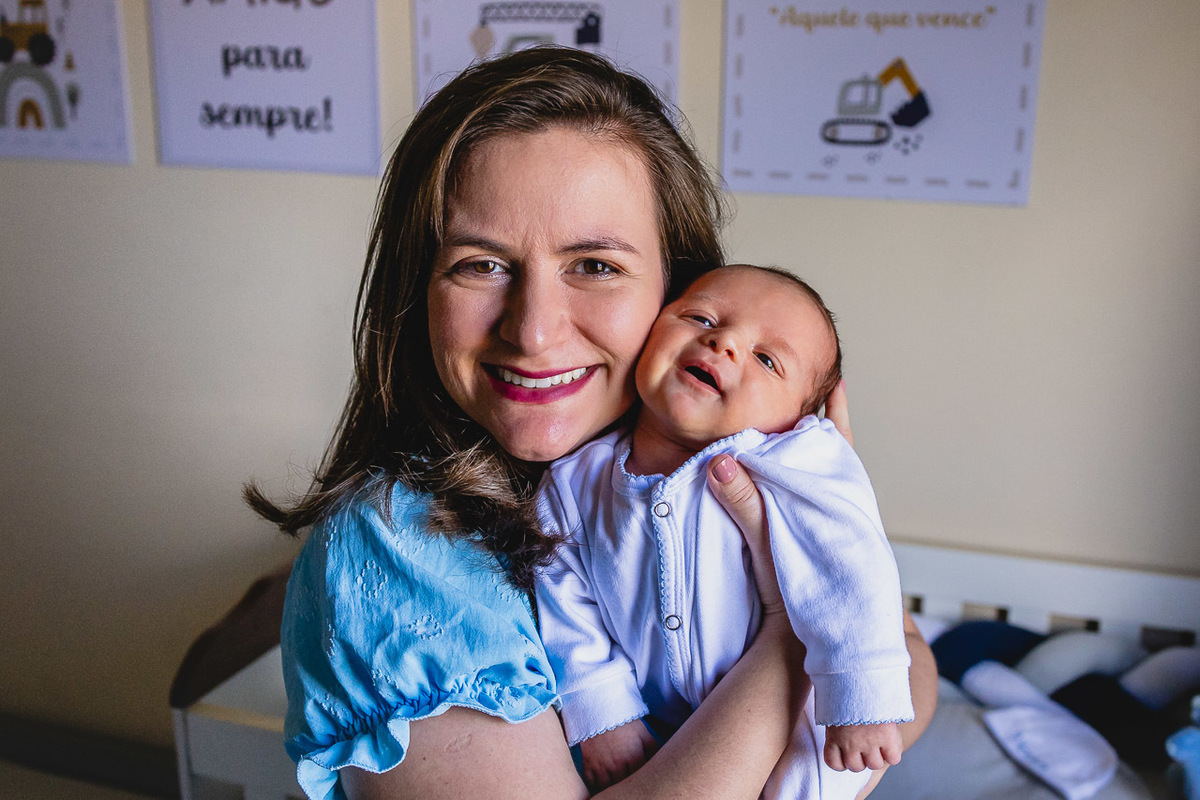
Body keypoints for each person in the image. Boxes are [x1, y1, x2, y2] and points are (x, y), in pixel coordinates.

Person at [246, 46, 936, 800]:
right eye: (480, 264)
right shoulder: (396, 546)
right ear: (417, 295)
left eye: (595, 266)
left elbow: (907, 664)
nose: (534, 331)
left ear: (676, 288)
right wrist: (789, 633)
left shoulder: (730, 472)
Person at [536, 265, 912, 798]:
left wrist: (862, 695)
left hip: (787, 708)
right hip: (645, 725)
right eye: (699, 317)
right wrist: (604, 712)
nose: (724, 341)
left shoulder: (792, 460)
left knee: (811, 780)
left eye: (766, 359)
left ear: (799, 418)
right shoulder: (575, 482)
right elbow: (562, 599)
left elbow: (850, 566)